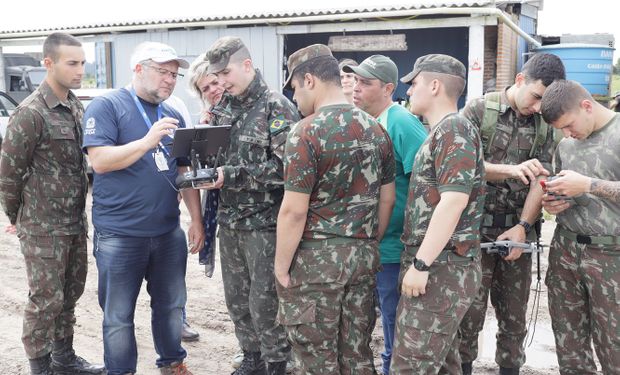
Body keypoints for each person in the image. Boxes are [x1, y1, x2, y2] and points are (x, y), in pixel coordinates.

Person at [82, 41, 205, 375]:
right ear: (138, 69)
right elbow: (101, 161)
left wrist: (196, 219)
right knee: (118, 316)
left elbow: (182, 171)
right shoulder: (106, 106)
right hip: (120, 234)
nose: (169, 80)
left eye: (174, 75)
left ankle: (172, 363)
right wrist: (146, 141)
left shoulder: (173, 114)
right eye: (162, 72)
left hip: (167, 231)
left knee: (171, 307)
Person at [274, 43, 396, 374]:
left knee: (315, 357)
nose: (295, 98)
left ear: (310, 80)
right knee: (356, 352)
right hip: (363, 257)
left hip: (316, 263)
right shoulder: (376, 128)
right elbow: (387, 198)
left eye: (296, 87)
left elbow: (293, 211)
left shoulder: (305, 132)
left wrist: (282, 267)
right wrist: (367, 241)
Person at [0, 32, 105, 375]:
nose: (79, 70)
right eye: (71, 63)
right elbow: (8, 177)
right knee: (45, 300)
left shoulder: (75, 105)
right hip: (43, 227)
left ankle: (64, 359)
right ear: (49, 63)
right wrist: (22, 218)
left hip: (74, 221)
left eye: (82, 63)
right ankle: (40, 366)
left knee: (70, 294)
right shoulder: (30, 113)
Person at [458, 53, 566, 375]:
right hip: (474, 238)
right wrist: (511, 169)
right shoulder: (478, 111)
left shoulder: (546, 124)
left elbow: (541, 180)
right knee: (468, 318)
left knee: (514, 322)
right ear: (520, 79)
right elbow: (461, 168)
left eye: (544, 103)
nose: (537, 108)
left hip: (516, 240)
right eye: (535, 97)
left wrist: (522, 227)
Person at [202, 36, 300, 375]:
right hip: (230, 224)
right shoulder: (223, 107)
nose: (222, 81)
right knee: (237, 303)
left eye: (226, 73)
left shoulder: (277, 107)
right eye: (216, 75)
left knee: (265, 303)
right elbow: (213, 154)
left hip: (265, 226)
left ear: (247, 65)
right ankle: (251, 358)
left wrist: (230, 175)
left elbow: (287, 170)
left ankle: (276, 362)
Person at [390, 54, 486, 374]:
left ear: (434, 85)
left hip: (441, 267)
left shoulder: (454, 129)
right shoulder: (443, 131)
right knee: (443, 365)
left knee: (411, 365)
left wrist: (421, 263)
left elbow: (453, 201)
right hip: (441, 265)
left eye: (414, 83)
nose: (409, 92)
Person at [343, 54, 427, 375]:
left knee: (394, 321)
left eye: (366, 83)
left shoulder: (401, 122)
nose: (356, 88)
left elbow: (429, 179)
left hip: (394, 247)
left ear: (388, 88)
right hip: (371, 244)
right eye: (355, 81)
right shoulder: (365, 120)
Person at [540, 79, 620, 375]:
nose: (567, 134)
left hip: (611, 256)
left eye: (569, 125)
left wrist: (589, 184)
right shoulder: (566, 145)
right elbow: (571, 193)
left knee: (614, 346)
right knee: (569, 344)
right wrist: (557, 203)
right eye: (560, 129)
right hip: (566, 252)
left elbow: (589, 186)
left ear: (587, 106)